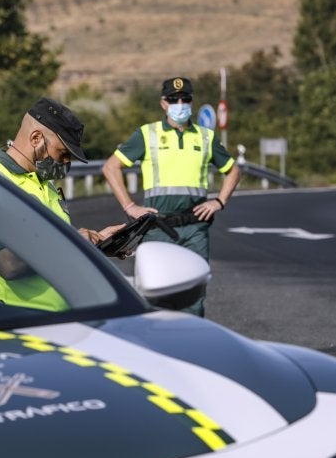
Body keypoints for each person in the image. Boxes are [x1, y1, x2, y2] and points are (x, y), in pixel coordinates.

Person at [101, 76, 240, 317]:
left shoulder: (205, 137)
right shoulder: (147, 134)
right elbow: (110, 167)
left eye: (185, 99)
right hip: (157, 228)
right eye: (173, 99)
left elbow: (233, 170)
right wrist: (129, 205)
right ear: (163, 103)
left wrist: (219, 201)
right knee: (156, 295)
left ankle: (192, 348)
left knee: (194, 295)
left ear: (192, 102)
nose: (180, 104)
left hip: (195, 229)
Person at [0, 97, 122, 310]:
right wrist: (75, 241)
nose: (67, 162)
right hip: (20, 324)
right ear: (36, 138)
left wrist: (96, 244)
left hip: (64, 316)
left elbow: (56, 250)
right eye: (63, 153)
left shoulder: (45, 185)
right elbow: (10, 265)